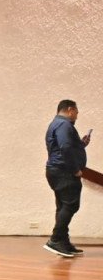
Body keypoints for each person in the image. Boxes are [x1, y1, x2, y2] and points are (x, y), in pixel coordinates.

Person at [44, 99, 91, 258]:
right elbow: (64, 147)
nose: (77, 116)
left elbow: (64, 146)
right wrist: (75, 169)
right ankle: (56, 239)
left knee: (63, 206)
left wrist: (81, 144)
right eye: (76, 112)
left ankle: (63, 242)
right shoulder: (64, 125)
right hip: (64, 171)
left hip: (57, 170)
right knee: (71, 205)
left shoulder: (56, 124)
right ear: (70, 109)